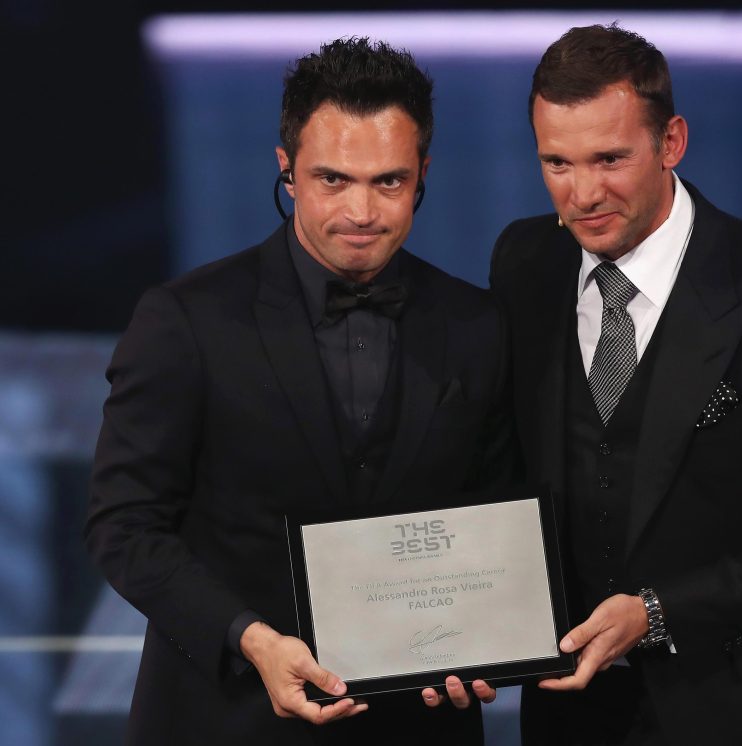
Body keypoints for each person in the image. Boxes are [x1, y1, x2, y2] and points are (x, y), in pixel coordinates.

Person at [85, 37, 505, 745]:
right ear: (287, 171)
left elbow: (497, 513)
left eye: (390, 182)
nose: (363, 212)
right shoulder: (187, 320)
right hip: (227, 717)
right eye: (333, 180)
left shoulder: (478, 324)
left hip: (416, 725)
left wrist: (486, 637)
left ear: (424, 174)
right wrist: (249, 639)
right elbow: (122, 523)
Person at [487, 24, 742, 745]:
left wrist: (658, 611)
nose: (583, 194)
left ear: (671, 143)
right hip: (575, 716)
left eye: (610, 159)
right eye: (557, 162)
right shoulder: (524, 261)